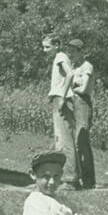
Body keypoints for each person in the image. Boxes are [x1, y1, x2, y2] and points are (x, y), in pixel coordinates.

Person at [42, 35, 78, 188]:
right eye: (43, 47)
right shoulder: (57, 57)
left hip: (63, 99)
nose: (44, 50)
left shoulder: (61, 57)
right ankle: (64, 176)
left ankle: (71, 179)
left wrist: (62, 96)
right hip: (58, 98)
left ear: (56, 45)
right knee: (60, 140)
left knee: (66, 140)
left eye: (47, 47)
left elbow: (70, 74)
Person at [65, 39, 96, 189]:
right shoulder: (73, 66)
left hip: (83, 103)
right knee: (73, 141)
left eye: (74, 51)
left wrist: (71, 88)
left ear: (81, 52)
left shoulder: (87, 66)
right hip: (72, 102)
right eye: (69, 51)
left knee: (82, 141)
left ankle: (89, 180)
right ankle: (77, 177)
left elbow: (83, 89)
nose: (71, 54)